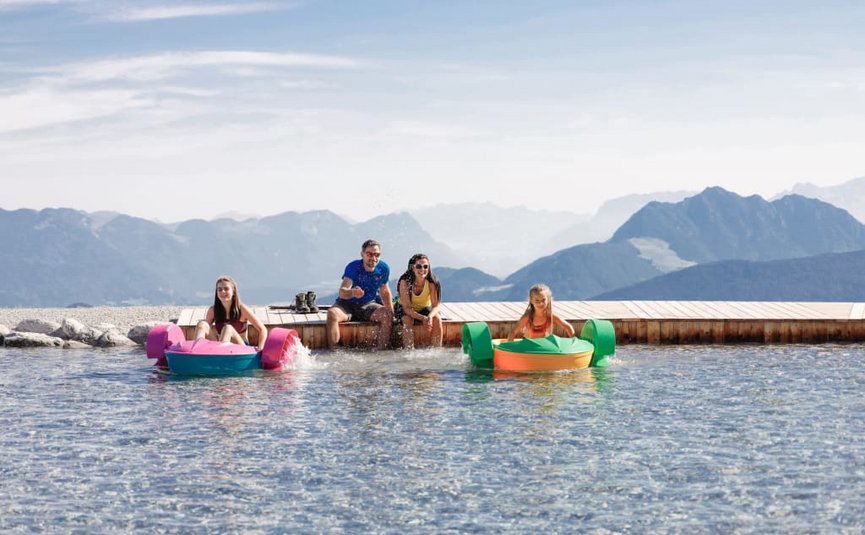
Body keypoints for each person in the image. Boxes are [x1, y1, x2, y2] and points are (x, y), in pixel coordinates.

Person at [326, 239, 394, 349]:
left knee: (387, 315)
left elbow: (385, 291)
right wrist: (353, 292)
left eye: (377, 254)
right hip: (346, 305)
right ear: (362, 254)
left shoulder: (383, 268)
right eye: (369, 254)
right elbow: (342, 292)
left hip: (367, 304)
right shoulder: (353, 267)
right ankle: (335, 352)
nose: (373, 258)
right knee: (332, 314)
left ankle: (381, 351)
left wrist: (391, 310)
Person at [194, 275, 268, 350]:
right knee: (202, 324)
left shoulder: (242, 309)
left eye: (226, 289)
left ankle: (221, 355)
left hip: (241, 349)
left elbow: (262, 329)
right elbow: (206, 331)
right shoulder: (213, 310)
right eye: (219, 289)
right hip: (220, 345)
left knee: (227, 328)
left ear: (233, 291)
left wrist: (260, 349)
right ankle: (196, 353)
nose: (223, 291)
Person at [395, 253, 443, 348]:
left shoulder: (432, 282)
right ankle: (409, 351)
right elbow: (407, 309)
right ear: (412, 268)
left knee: (437, 319)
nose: (422, 269)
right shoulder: (405, 282)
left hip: (423, 308)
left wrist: (429, 317)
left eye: (426, 266)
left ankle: (437, 349)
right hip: (404, 308)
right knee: (407, 319)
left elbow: (436, 306)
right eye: (419, 266)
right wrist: (423, 318)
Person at [508, 283, 575, 341]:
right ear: (531, 300)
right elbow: (513, 332)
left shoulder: (550, 315)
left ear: (548, 299)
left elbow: (567, 326)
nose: (540, 303)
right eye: (537, 301)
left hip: (544, 347)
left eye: (543, 300)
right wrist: (508, 349)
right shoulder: (528, 317)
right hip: (528, 346)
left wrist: (574, 341)